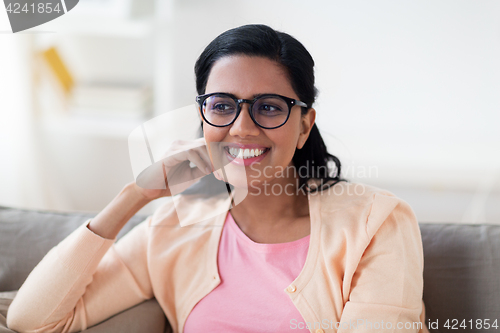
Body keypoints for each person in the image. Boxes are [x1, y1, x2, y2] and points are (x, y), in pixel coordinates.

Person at [7, 24, 429, 333]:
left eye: (268, 107)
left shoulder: (377, 223)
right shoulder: (175, 228)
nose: (242, 128)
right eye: (223, 105)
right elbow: (33, 319)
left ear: (303, 125)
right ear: (203, 116)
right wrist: (135, 195)